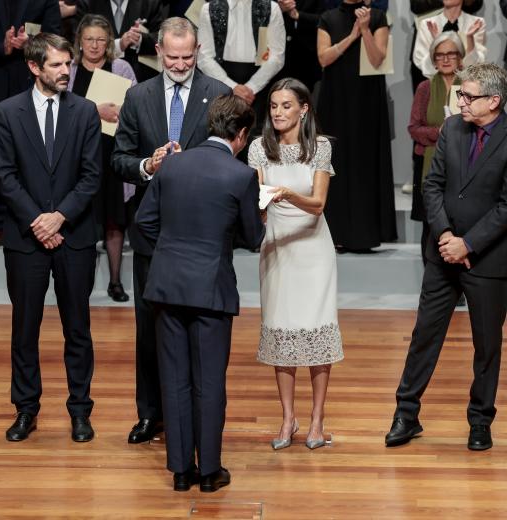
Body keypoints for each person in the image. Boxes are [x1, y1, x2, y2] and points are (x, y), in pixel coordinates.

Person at [385, 63, 507, 452]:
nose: (461, 101)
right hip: (442, 251)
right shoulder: (451, 128)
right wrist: (447, 235)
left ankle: (480, 421)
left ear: (494, 101)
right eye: (461, 95)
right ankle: (406, 414)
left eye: (468, 96)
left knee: (486, 345)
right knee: (424, 335)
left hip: (487, 260)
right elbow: (432, 185)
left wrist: (468, 244)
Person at [112, 17, 231, 445]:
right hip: (152, 231)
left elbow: (230, 163)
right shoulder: (138, 96)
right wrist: (148, 165)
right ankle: (152, 414)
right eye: (173, 56)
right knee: (149, 326)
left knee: (201, 329)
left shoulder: (218, 94)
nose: (180, 64)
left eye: (188, 56)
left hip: (203, 234)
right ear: (158, 51)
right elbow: (120, 157)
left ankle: (199, 416)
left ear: (197, 51)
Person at [137, 95, 264, 492]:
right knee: (209, 381)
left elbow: (144, 223)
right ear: (242, 134)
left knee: (174, 378)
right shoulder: (240, 176)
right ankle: (209, 471)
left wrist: (173, 249)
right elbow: (252, 237)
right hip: (211, 288)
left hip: (167, 285)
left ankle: (180, 471)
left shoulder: (172, 165)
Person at [0, 33, 101, 442]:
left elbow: (92, 176)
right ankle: (26, 409)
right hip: (26, 239)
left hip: (72, 236)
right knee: (25, 329)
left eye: (67, 64)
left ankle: (80, 410)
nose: (65, 71)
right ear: (34, 67)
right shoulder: (7, 112)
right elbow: (5, 176)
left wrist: (58, 218)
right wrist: (38, 221)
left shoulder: (86, 111)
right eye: (56, 65)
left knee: (78, 329)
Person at [249, 78, 343, 451]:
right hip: (277, 247)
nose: (277, 113)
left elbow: (319, 203)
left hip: (313, 250)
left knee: (316, 330)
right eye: (273, 106)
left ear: (303, 110)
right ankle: (288, 417)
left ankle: (318, 420)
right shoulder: (259, 148)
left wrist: (287, 194)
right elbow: (257, 202)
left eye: (286, 106)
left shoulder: (319, 147)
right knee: (281, 329)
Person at [0, 0, 61, 250]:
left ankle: (35, 223)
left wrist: (29, 46)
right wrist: (3, 47)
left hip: (33, 88)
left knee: (34, 159)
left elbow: (55, 39)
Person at [316, 0, 396, 251]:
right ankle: (336, 233)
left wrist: (364, 30)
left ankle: (365, 235)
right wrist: (352, 35)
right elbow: (324, 58)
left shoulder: (378, 17)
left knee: (365, 163)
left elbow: (377, 59)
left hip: (367, 100)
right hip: (336, 99)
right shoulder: (328, 18)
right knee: (336, 161)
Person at [68, 14, 136, 302]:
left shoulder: (120, 67)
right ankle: (77, 284)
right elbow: (61, 109)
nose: (95, 45)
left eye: (100, 39)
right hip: (78, 155)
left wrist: (121, 111)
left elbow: (135, 105)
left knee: (114, 219)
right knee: (81, 219)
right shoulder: (68, 69)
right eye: (89, 39)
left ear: (109, 42)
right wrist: (95, 110)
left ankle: (116, 281)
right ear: (79, 42)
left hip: (112, 153)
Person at [408, 32, 463, 262]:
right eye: (439, 55)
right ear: (433, 60)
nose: (446, 59)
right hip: (429, 164)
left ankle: (459, 285)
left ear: (461, 57)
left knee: (460, 224)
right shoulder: (425, 87)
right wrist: (438, 132)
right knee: (431, 228)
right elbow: (414, 128)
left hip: (464, 163)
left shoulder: (470, 85)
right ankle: (432, 284)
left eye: (451, 54)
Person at [197, 0, 285, 127]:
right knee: (221, 132)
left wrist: (252, 87)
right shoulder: (210, 9)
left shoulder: (271, 8)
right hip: (220, 82)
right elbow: (204, 57)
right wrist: (231, 87)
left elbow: (276, 56)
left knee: (257, 137)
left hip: (260, 84)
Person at [76, 0, 166, 82]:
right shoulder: (87, 3)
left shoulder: (150, 3)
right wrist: (119, 45)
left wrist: (139, 39)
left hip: (141, 79)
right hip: (93, 77)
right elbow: (77, 40)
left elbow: (163, 40)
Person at [409, 1, 482, 92]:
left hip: (463, 37)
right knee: (426, 100)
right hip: (427, 41)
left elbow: (476, 4)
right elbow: (416, 5)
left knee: (462, 99)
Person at [276, 0, 324, 92]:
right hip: (274, 55)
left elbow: (324, 19)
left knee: (302, 95)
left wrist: (298, 15)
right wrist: (278, 9)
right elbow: (259, 13)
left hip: (305, 58)